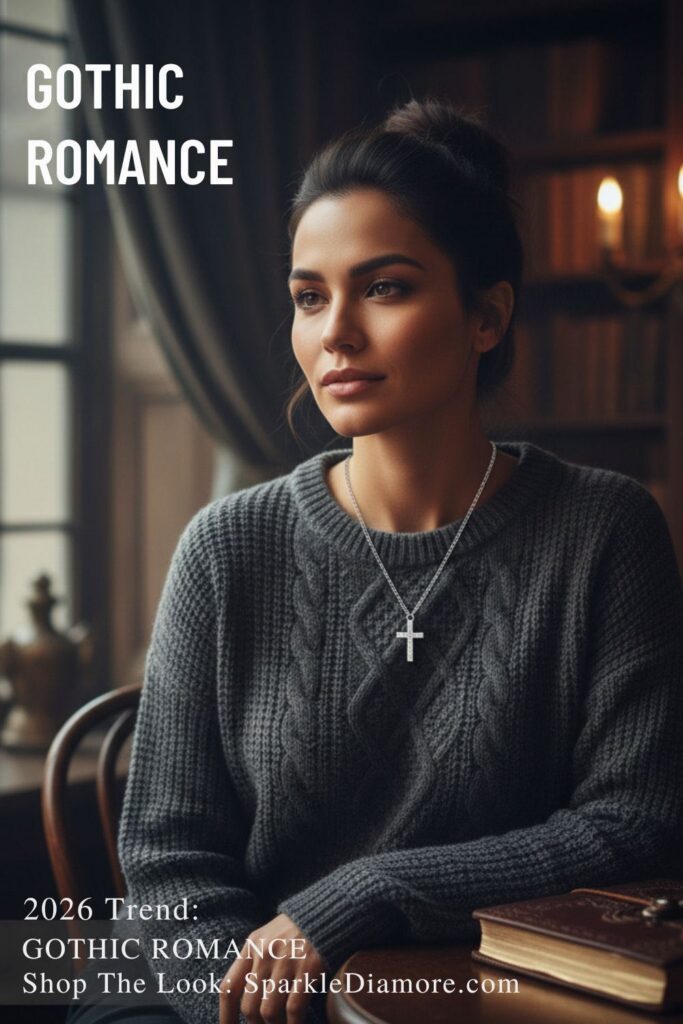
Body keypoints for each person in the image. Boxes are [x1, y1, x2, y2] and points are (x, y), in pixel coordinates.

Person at [68, 99, 683, 1024]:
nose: (334, 334)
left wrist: (364, 893)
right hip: (212, 996)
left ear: (485, 316)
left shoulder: (603, 529)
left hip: (467, 998)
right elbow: (169, 858)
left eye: (384, 287)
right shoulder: (228, 545)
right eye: (309, 296)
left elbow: (635, 820)